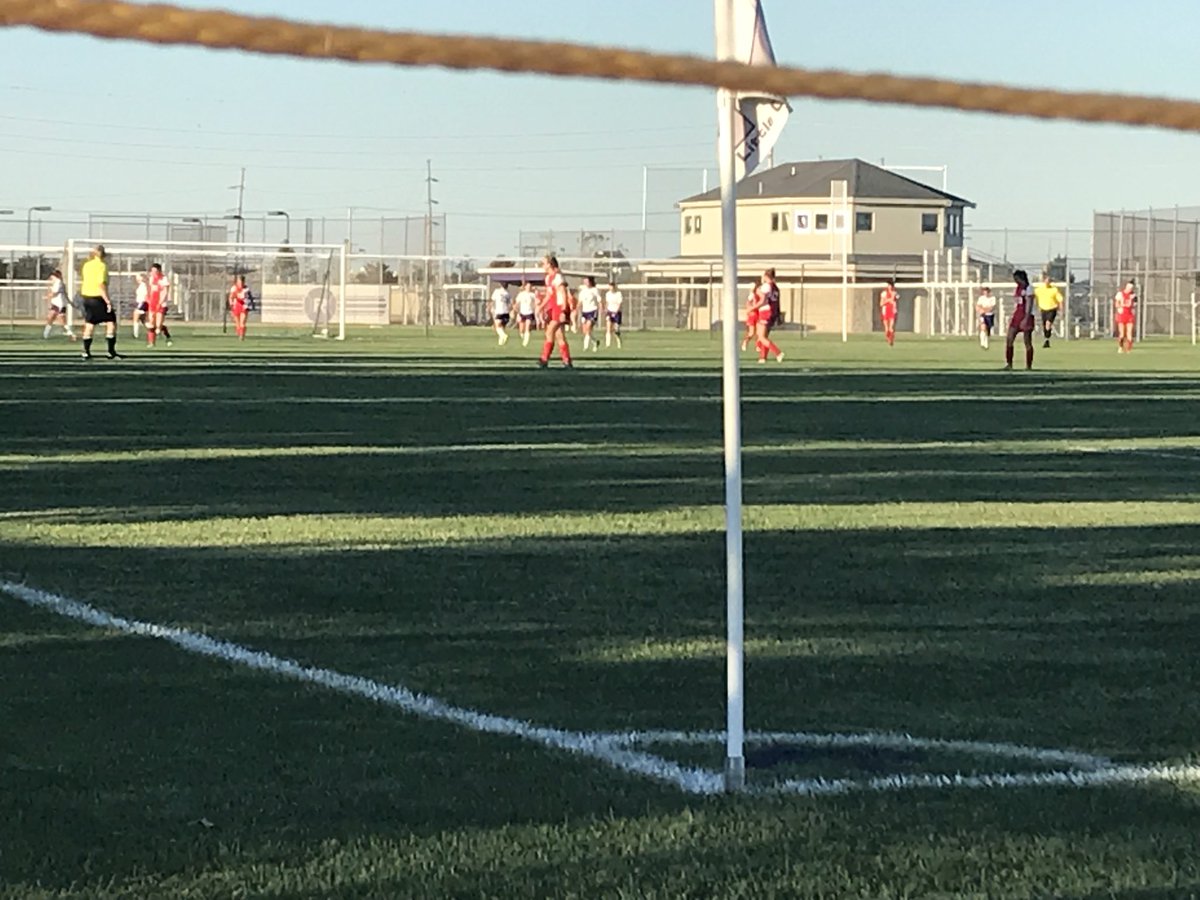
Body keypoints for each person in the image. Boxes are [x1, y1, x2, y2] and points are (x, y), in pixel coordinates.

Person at [78, 245, 121, 360]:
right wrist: (107, 301)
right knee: (111, 321)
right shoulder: (102, 266)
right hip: (97, 297)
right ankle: (110, 352)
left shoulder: (87, 265)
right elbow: (101, 285)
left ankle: (86, 352)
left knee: (90, 323)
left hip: (86, 296)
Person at [536, 255, 573, 369]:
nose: (542, 266)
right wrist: (541, 306)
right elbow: (549, 294)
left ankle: (544, 359)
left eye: (544, 263)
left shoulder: (558, 277)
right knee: (559, 336)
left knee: (549, 332)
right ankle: (567, 361)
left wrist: (563, 310)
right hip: (553, 308)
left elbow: (563, 293)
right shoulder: (548, 278)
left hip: (560, 308)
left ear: (550, 264)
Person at [1003, 269, 1035, 371]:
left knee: (1027, 341)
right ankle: (1009, 364)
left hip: (1026, 316)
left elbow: (1029, 304)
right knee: (1009, 338)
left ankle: (1028, 366)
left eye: (1016, 278)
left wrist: (1026, 318)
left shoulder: (1029, 288)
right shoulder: (1018, 288)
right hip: (1017, 315)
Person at [752, 267, 784, 364]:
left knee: (761, 336)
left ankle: (778, 353)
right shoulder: (776, 288)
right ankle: (763, 357)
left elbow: (762, 298)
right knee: (764, 336)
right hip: (772, 313)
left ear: (766, 276)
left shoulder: (766, 286)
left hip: (765, 312)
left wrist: (757, 290)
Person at [1034, 273, 1064, 348]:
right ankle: (1046, 339)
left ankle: (1047, 339)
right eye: (1046, 280)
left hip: (1052, 309)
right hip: (1043, 310)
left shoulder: (1054, 290)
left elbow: (1060, 300)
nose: (1048, 282)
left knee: (1048, 324)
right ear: (1044, 281)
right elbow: (1033, 296)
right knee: (1045, 325)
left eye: (1049, 280)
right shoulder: (1039, 290)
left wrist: (1061, 310)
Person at [43, 268, 74, 340]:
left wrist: (46, 297)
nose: (51, 278)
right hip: (56, 304)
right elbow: (64, 293)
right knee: (50, 317)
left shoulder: (58, 282)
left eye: (52, 276)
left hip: (60, 304)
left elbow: (54, 293)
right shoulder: (56, 283)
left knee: (61, 320)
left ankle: (71, 333)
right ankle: (46, 333)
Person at [146, 263, 173, 347]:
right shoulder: (151, 279)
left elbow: (165, 292)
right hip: (152, 303)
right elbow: (150, 290)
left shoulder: (164, 279)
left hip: (161, 304)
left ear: (159, 271)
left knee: (158, 326)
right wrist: (148, 299)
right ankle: (151, 342)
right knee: (151, 323)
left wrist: (160, 302)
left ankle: (168, 337)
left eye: (155, 271)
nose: (153, 272)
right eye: (152, 271)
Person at [577, 276, 602, 351]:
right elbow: (580, 302)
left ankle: (585, 346)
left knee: (588, 328)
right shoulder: (583, 291)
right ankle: (595, 342)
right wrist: (576, 310)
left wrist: (601, 308)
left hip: (593, 311)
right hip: (585, 312)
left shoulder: (595, 290)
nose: (585, 282)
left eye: (587, 281)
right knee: (585, 331)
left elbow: (599, 300)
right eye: (585, 281)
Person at [1114, 279, 1137, 353]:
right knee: (1122, 333)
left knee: (1129, 333)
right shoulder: (1120, 294)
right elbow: (1117, 304)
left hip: (1129, 315)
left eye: (1131, 288)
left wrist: (1132, 305)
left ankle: (1128, 349)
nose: (1129, 289)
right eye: (1129, 288)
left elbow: (1134, 304)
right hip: (1122, 315)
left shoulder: (1133, 295)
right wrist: (1121, 306)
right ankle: (1120, 347)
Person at [514, 280, 538, 347]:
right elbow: (516, 304)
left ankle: (526, 340)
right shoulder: (521, 294)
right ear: (525, 287)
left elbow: (536, 303)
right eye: (528, 286)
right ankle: (523, 336)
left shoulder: (532, 295)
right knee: (521, 330)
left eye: (530, 286)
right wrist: (516, 312)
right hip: (522, 312)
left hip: (529, 313)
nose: (529, 287)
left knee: (527, 327)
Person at [740, 279, 760, 352]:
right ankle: (745, 343)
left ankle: (758, 346)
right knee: (751, 333)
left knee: (759, 332)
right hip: (752, 315)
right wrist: (749, 310)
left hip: (759, 315)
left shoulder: (762, 295)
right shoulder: (753, 295)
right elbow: (748, 303)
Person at [228, 274, 250, 340]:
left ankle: (242, 336)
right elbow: (230, 297)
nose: (240, 283)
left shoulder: (246, 289)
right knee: (237, 324)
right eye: (239, 282)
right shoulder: (234, 288)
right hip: (236, 306)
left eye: (242, 282)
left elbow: (245, 298)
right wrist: (231, 304)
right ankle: (239, 332)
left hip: (243, 306)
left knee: (242, 323)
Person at [879, 278, 899, 346]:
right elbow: (881, 303)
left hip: (892, 310)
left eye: (890, 285)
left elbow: (896, 299)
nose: (889, 286)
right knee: (886, 328)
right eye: (889, 285)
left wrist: (894, 298)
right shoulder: (884, 293)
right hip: (885, 310)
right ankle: (888, 339)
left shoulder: (895, 293)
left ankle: (891, 340)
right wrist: (888, 300)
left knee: (891, 327)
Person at [604, 281, 624, 348]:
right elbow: (607, 303)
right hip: (609, 312)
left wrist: (616, 311)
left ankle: (619, 340)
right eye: (610, 286)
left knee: (616, 330)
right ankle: (608, 344)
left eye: (612, 286)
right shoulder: (608, 294)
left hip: (616, 312)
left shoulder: (618, 294)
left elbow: (619, 304)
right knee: (608, 327)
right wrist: (606, 310)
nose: (611, 288)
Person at [132, 272, 149, 339]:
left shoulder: (143, 286)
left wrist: (141, 304)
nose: (137, 279)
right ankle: (153, 331)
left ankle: (135, 334)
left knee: (135, 318)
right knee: (143, 320)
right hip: (141, 303)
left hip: (142, 303)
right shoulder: (141, 285)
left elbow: (145, 296)